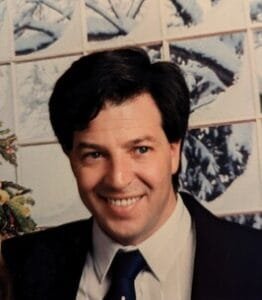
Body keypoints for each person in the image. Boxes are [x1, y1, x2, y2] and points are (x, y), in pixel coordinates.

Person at [2, 47, 262, 300]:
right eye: (95, 154)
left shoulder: (254, 262)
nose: (118, 179)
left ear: (174, 152)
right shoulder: (16, 267)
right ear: (71, 159)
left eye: (140, 149)